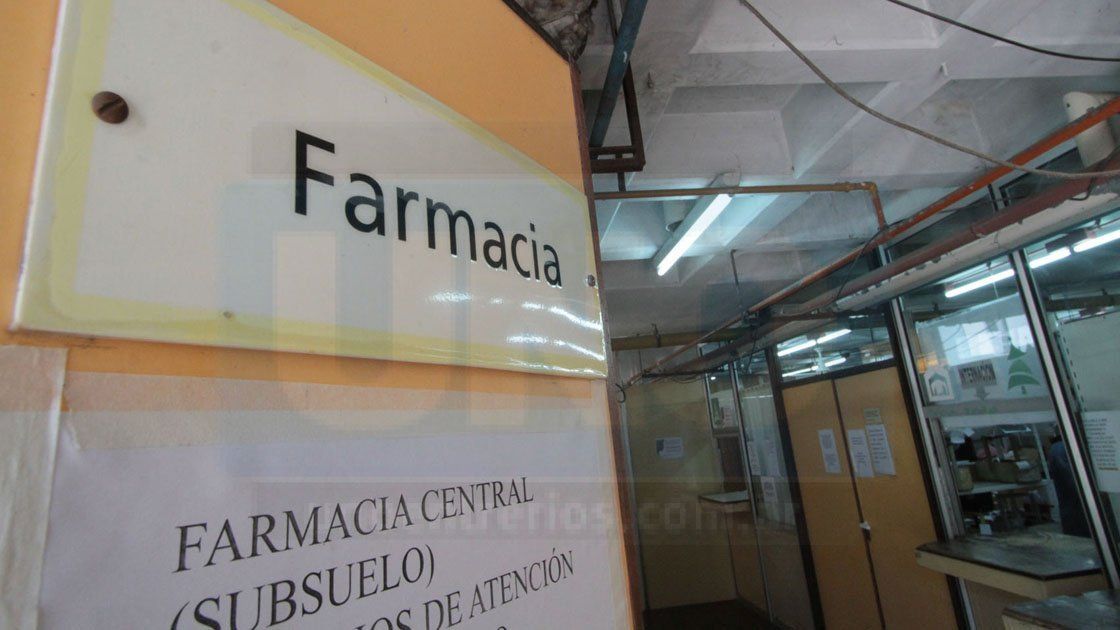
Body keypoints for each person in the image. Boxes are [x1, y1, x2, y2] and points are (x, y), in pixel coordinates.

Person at [1047, 434, 1091, 537]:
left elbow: (1053, 472)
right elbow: (1069, 476)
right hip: (1075, 496)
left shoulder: (1055, 448)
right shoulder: (1065, 447)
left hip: (1066, 496)